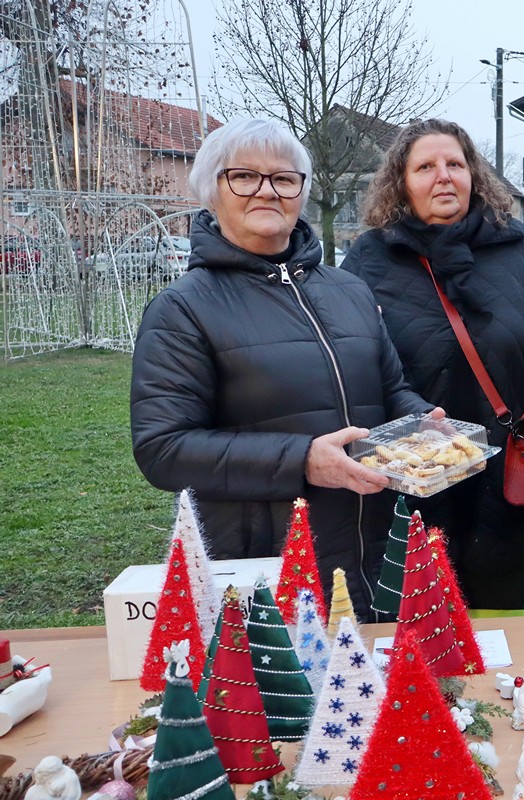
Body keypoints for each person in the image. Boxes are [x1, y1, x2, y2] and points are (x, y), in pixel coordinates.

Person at [130, 118, 437, 617]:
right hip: (269, 560)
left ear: (302, 191)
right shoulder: (183, 308)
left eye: (284, 178)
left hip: (374, 550)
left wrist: (423, 423)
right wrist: (302, 460)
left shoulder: (349, 290)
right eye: (245, 177)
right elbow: (163, 450)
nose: (266, 191)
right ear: (213, 189)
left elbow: (391, 388)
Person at [342, 118, 524, 610]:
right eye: (425, 166)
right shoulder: (371, 259)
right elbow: (351, 364)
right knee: (416, 636)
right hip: (413, 482)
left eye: (455, 163)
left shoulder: (519, 247)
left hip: (510, 474)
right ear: (402, 183)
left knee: (506, 624)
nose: (443, 176)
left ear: (474, 173)